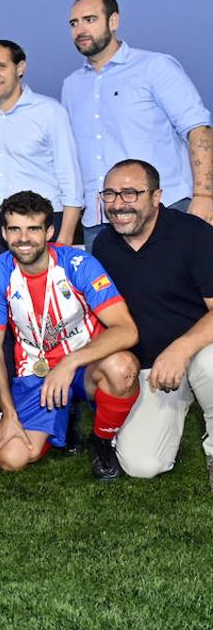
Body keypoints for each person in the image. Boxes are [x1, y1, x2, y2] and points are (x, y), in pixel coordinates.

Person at [0, 190, 141, 480]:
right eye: (14, 229)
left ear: (49, 231)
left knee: (122, 367)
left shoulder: (77, 265)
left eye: (33, 229)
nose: (23, 238)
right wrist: (9, 413)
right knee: (11, 458)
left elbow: (126, 330)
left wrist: (69, 363)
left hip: (84, 366)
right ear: (4, 232)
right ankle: (62, 417)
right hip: (36, 371)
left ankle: (101, 441)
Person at [92, 159, 213, 484]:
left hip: (199, 351)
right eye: (110, 194)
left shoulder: (194, 234)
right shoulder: (104, 245)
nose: (118, 205)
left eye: (130, 193)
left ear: (157, 196)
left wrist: (182, 348)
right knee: (142, 465)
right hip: (151, 369)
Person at [61, 0, 213, 241]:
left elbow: (198, 129)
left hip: (164, 212)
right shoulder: (71, 86)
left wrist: (205, 197)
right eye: (74, 23)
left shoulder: (155, 67)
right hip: (101, 223)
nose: (80, 29)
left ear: (113, 21)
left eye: (89, 19)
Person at [0, 40, 82, 255]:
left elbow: (71, 179)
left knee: (44, 288)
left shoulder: (50, 112)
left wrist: (65, 239)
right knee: (0, 288)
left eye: (0, 66)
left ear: (20, 68)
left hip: (40, 223)